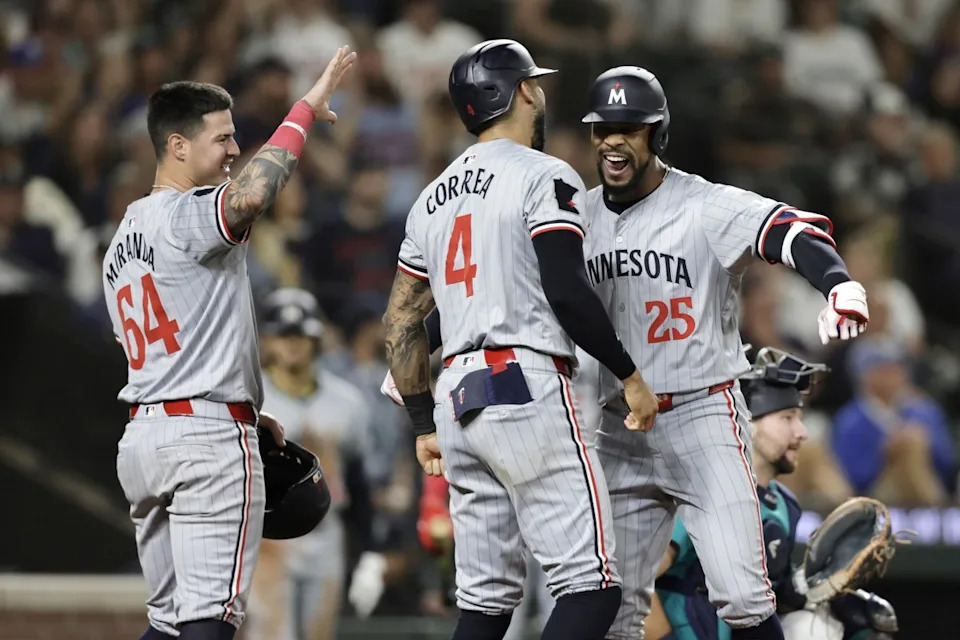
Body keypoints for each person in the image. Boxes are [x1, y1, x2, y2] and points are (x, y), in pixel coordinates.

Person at [382, 39, 659, 640]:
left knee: (484, 604)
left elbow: (401, 324)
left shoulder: (429, 199)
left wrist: (422, 424)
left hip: (457, 398)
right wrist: (630, 374)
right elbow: (565, 289)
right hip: (522, 380)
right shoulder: (544, 173)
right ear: (520, 92)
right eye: (534, 83)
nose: (540, 92)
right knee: (593, 587)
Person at [579, 66, 869, 640]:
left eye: (629, 128)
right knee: (613, 614)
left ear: (657, 133)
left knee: (743, 594)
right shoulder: (578, 215)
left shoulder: (705, 205)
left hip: (700, 415)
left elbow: (790, 232)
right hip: (615, 427)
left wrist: (837, 284)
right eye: (602, 127)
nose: (613, 139)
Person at [103, 47, 356, 640]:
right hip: (206, 444)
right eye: (222, 137)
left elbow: (165, 346)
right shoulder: (185, 212)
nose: (234, 150)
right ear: (178, 146)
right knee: (210, 622)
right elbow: (249, 198)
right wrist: (302, 113)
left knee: (168, 625)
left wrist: (240, 403)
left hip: (146, 438)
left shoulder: (120, 243)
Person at [646, 347, 898, 640]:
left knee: (836, 626)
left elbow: (773, 597)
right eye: (787, 418)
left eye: (800, 417)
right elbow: (636, 580)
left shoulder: (784, 505)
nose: (802, 431)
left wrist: (807, 592)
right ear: (746, 425)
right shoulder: (702, 492)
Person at [246, 288, 386, 640]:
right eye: (284, 335)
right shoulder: (246, 399)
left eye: (301, 335)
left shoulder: (347, 402)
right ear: (269, 340)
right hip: (266, 537)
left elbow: (357, 481)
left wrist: (370, 551)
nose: (293, 344)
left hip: (326, 531)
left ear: (316, 339)